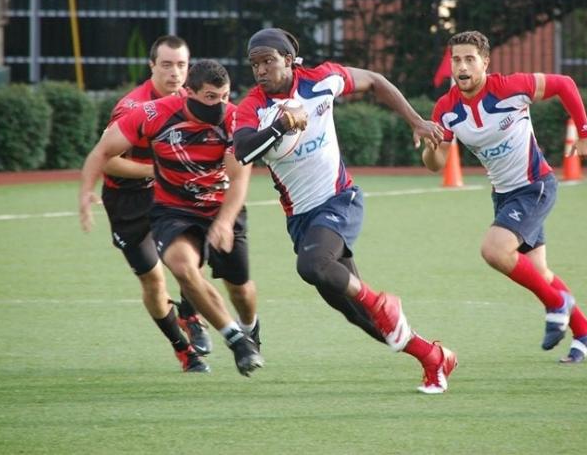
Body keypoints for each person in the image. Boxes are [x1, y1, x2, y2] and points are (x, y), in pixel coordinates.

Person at [234, 27, 455, 394]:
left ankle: (382, 302)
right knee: (362, 319)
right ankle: (434, 357)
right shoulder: (252, 107)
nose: (261, 70)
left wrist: (415, 120)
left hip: (340, 200)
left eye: (268, 61)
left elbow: (375, 81)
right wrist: (280, 125)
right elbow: (243, 149)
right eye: (254, 64)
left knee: (312, 267)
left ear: (288, 60)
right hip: (302, 220)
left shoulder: (322, 79)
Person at [424, 30, 587, 363]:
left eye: (469, 59)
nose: (461, 67)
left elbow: (564, 83)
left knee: (494, 250)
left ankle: (556, 304)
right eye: (456, 60)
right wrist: (430, 143)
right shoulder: (446, 109)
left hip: (535, 186)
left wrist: (585, 133)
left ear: (485, 63)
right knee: (540, 273)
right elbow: (436, 164)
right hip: (504, 196)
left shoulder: (510, 87)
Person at [80, 59, 263, 377]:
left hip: (220, 206)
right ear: (188, 92)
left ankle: (250, 330)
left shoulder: (236, 119)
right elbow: (102, 152)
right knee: (181, 267)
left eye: (224, 96)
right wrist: (85, 192)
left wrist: (223, 222)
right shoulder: (152, 113)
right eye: (210, 97)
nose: (219, 105)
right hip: (174, 208)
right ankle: (236, 342)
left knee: (241, 290)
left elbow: (240, 179)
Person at [91, 35, 213, 371]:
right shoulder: (131, 107)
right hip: (127, 199)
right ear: (152, 67)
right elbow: (107, 160)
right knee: (153, 280)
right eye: (167, 65)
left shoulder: (194, 100)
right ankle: (183, 350)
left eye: (182, 65)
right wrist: (157, 170)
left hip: (169, 194)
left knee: (190, 256)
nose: (175, 73)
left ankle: (190, 313)